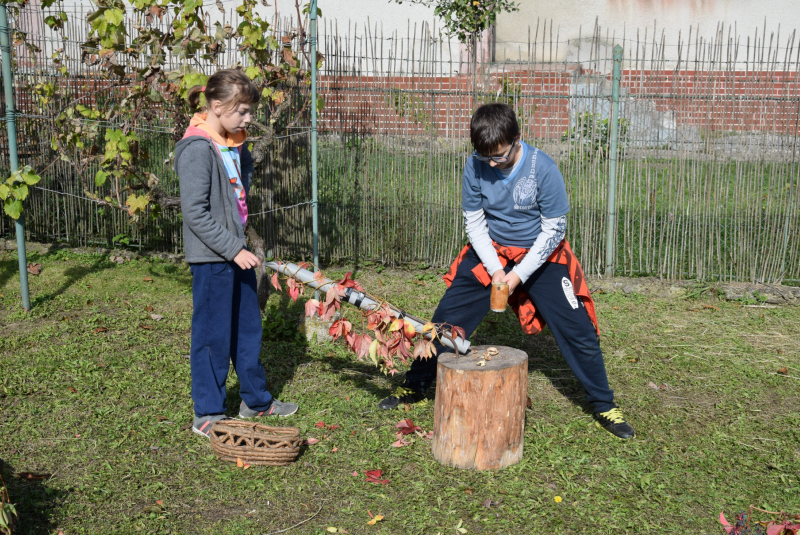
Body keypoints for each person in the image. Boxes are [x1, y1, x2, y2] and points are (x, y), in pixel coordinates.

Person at [378, 103, 634, 439]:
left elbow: (554, 229)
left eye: (500, 156)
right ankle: (416, 384)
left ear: (517, 139)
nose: (493, 164)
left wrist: (516, 277)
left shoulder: (543, 168)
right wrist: (497, 270)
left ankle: (603, 404)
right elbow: (474, 222)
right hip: (492, 252)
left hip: (541, 253)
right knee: (444, 319)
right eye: (486, 158)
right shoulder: (476, 164)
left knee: (578, 328)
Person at [175, 69, 298, 438]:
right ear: (216, 106)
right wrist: (232, 249)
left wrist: (240, 149)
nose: (248, 119)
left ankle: (256, 401)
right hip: (214, 258)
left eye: (249, 111)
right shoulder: (197, 149)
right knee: (212, 338)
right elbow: (194, 213)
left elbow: (237, 193)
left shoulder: (228, 142)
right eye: (242, 111)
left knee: (248, 329)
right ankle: (208, 413)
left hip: (236, 252)